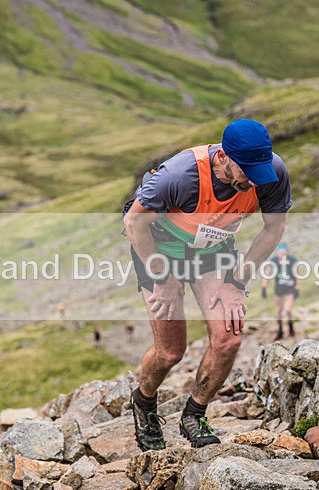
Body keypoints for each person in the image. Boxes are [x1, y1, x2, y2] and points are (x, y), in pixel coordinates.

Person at [123, 118, 291, 450]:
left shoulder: (271, 173)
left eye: (259, 172)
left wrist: (236, 282)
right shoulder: (180, 176)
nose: (252, 182)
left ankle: (194, 413)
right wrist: (162, 278)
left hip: (212, 253)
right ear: (223, 157)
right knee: (170, 351)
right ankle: (143, 403)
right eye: (246, 172)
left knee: (228, 338)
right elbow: (134, 221)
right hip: (160, 249)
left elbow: (273, 229)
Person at [261, 244, 299, 340]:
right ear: (277, 253)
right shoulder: (273, 261)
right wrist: (264, 288)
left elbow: (298, 274)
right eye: (279, 253)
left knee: (288, 309)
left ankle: (291, 328)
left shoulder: (293, 260)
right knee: (278, 310)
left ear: (286, 252)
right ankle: (280, 330)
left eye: (283, 253)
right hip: (279, 288)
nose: (281, 255)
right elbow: (267, 274)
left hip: (291, 287)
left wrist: (297, 288)